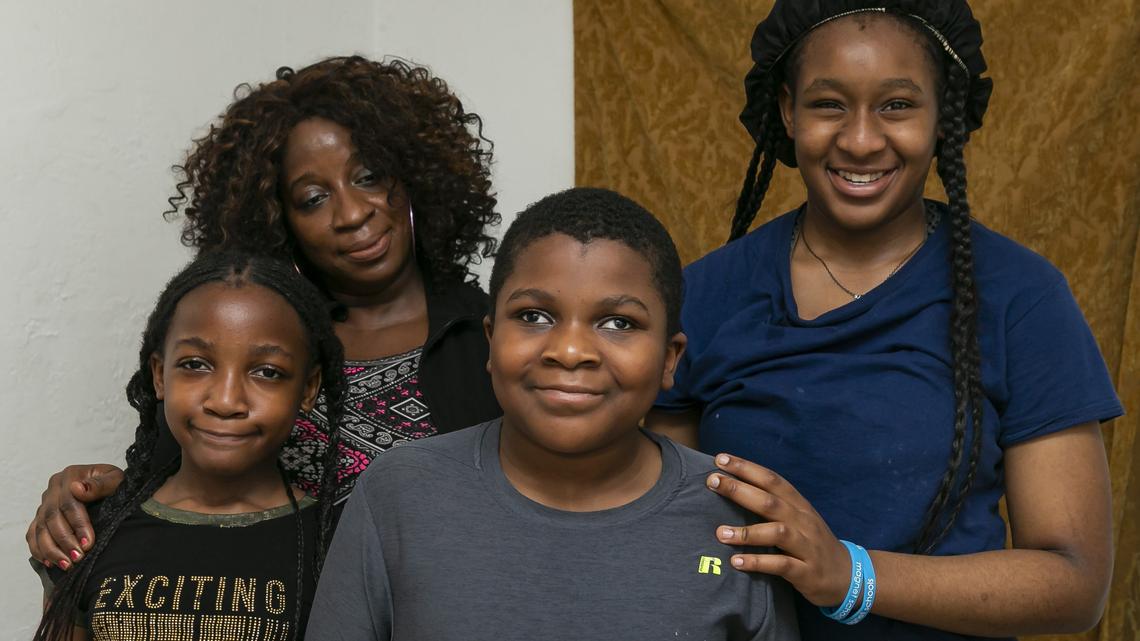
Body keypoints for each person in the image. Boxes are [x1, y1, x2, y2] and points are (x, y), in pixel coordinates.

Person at [647, 2, 1124, 639]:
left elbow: (1074, 585)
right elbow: (664, 539)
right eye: (828, 105)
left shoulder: (1020, 296)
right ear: (788, 111)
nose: (861, 139)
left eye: (897, 104)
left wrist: (850, 576)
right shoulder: (705, 293)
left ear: (941, 117)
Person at [27, 56, 503, 569]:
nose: (353, 213)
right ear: (279, 222)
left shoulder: (493, 337)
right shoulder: (254, 341)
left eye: (369, 176)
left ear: (413, 178)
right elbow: (175, 493)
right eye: (314, 198)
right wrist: (90, 494)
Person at [305, 188, 800, 640]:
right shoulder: (399, 494)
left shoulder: (734, 523)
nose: (568, 350)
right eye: (534, 316)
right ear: (490, 340)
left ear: (670, 359)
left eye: (618, 322)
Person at [33, 253, 346, 641]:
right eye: (196, 364)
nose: (226, 400)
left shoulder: (341, 543)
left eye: (267, 372)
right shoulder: (91, 532)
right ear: (160, 376)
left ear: (308, 389)